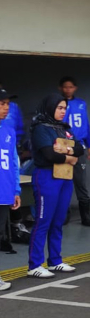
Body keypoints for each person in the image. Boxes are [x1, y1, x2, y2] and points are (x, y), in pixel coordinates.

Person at [27, 94, 84, 278]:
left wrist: (66, 149)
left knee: (58, 220)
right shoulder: (40, 128)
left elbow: (80, 148)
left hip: (65, 177)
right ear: (50, 108)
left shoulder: (64, 128)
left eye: (64, 108)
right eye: (59, 108)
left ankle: (55, 261)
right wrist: (70, 156)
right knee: (43, 220)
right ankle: (35, 264)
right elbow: (49, 155)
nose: (63, 111)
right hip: (46, 176)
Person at [60, 76, 90, 227]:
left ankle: (85, 216)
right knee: (63, 181)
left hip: (79, 146)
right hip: (64, 144)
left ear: (75, 88)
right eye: (65, 87)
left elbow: (86, 125)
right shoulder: (58, 104)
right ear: (60, 88)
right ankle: (64, 215)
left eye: (71, 87)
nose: (68, 90)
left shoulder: (81, 104)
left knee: (80, 181)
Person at [0, 89, 22, 290]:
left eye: (7, 103)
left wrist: (16, 190)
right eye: (2, 103)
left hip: (4, 192)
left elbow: (14, 163)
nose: (6, 107)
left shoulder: (8, 131)